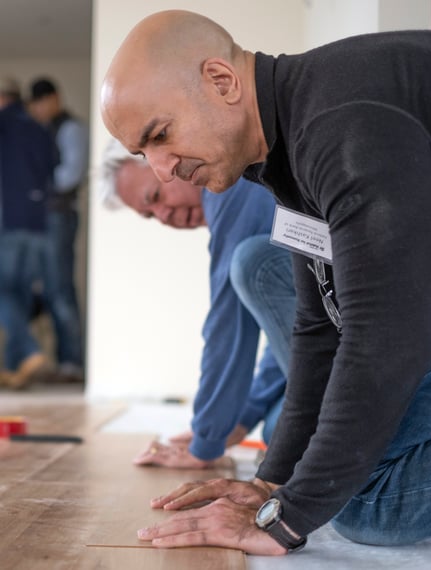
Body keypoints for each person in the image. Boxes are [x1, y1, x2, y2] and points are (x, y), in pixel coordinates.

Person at [100, 11, 431, 556]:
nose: (164, 170)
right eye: (145, 154)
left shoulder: (341, 125)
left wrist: (285, 517)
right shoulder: (285, 152)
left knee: (362, 495)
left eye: (162, 136)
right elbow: (319, 329)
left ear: (222, 81)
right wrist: (273, 481)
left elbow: (383, 340)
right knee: (345, 482)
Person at [98, 138, 295, 468]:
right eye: (150, 215)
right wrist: (242, 419)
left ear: (169, 164)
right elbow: (293, 324)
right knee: (278, 431)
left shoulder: (230, 188)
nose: (163, 216)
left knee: (251, 264)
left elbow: (227, 322)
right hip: (342, 318)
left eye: (156, 197)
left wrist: (206, 442)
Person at [29, 77, 88, 381]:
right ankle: (51, 361)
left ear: (54, 99)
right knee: (41, 289)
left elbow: (70, 174)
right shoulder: (37, 131)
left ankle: (71, 363)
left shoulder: (70, 128)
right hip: (37, 220)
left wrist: (34, 186)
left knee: (60, 288)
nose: (38, 109)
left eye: (41, 102)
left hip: (58, 217)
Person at [0, 77, 55, 388]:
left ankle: (30, 350)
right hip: (38, 222)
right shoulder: (38, 127)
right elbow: (52, 168)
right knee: (18, 293)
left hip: (8, 222)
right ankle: (13, 367)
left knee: (2, 291)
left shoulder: (3, 125)